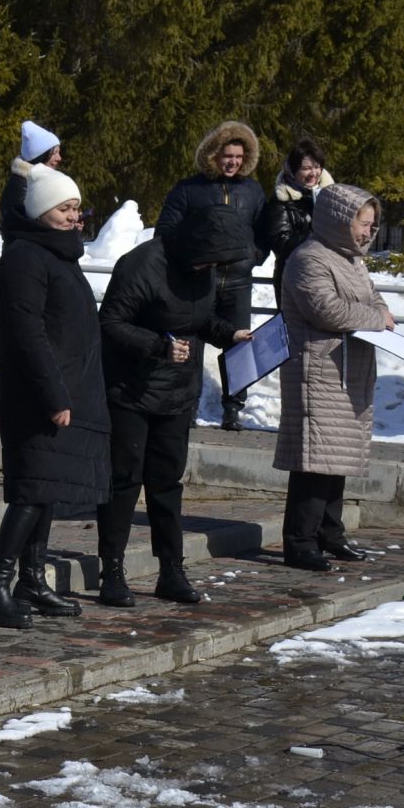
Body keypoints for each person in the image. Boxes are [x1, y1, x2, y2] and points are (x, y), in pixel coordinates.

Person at [0, 164, 112, 628]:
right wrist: (53, 393)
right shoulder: (25, 257)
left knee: (47, 488)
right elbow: (27, 333)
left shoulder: (60, 255)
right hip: (36, 395)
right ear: (39, 211)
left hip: (67, 389)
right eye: (64, 208)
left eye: (77, 208)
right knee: (32, 490)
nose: (76, 217)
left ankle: (31, 578)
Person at [97, 206, 254, 607]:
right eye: (210, 259)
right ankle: (112, 570)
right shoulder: (142, 264)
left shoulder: (203, 269)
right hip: (131, 390)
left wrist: (230, 334)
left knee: (167, 485)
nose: (212, 268)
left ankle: (172, 569)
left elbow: (200, 319)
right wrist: (157, 346)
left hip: (178, 394)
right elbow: (111, 323)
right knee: (124, 482)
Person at [274, 184, 391, 571]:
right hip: (318, 371)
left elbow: (376, 300)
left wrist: (379, 314)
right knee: (315, 459)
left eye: (372, 225)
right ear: (340, 221)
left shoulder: (352, 261)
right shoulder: (309, 258)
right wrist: (376, 319)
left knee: (337, 458)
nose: (368, 232)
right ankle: (300, 542)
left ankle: (330, 533)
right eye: (363, 224)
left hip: (348, 371)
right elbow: (327, 310)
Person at [158, 120, 267, 431]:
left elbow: (264, 231)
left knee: (239, 345)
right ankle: (187, 406)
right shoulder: (189, 189)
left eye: (238, 156)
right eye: (226, 155)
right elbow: (167, 230)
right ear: (212, 155)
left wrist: (253, 256)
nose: (232, 162)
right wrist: (189, 261)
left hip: (238, 283)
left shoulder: (253, 190)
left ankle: (233, 409)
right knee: (192, 344)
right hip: (198, 283)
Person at [258, 138, 332, 308]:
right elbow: (280, 242)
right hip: (293, 277)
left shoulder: (331, 196)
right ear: (292, 170)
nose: (313, 173)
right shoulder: (281, 200)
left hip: (326, 277)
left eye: (317, 166)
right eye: (306, 168)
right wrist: (315, 238)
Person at [0, 120, 61, 231]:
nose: (59, 158)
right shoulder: (20, 187)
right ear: (41, 155)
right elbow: (23, 228)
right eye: (55, 153)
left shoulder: (37, 182)